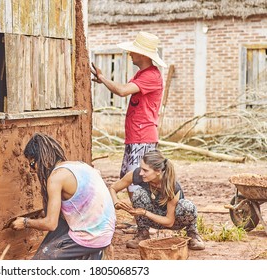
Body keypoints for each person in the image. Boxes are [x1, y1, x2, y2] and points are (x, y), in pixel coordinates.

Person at [11, 133, 116, 259]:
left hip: (92, 236)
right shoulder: (78, 165)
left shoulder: (56, 178)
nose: (31, 170)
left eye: (32, 163)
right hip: (104, 232)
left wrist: (25, 222)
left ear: (42, 158)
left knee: (41, 260)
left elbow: (50, 224)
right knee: (58, 228)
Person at [91, 31, 166, 202]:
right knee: (130, 179)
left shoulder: (151, 76)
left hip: (142, 136)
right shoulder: (142, 74)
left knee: (137, 181)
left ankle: (143, 221)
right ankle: (139, 219)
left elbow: (122, 91)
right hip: (136, 135)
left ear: (142, 54)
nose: (130, 54)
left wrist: (103, 78)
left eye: (133, 51)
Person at [109, 150, 205, 250]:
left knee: (187, 206)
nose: (141, 173)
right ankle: (142, 234)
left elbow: (169, 221)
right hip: (151, 220)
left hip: (173, 221)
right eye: (141, 168)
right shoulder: (138, 174)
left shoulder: (172, 187)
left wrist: (144, 212)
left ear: (158, 171)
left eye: (145, 170)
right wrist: (116, 203)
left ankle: (192, 234)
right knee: (138, 194)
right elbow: (113, 188)